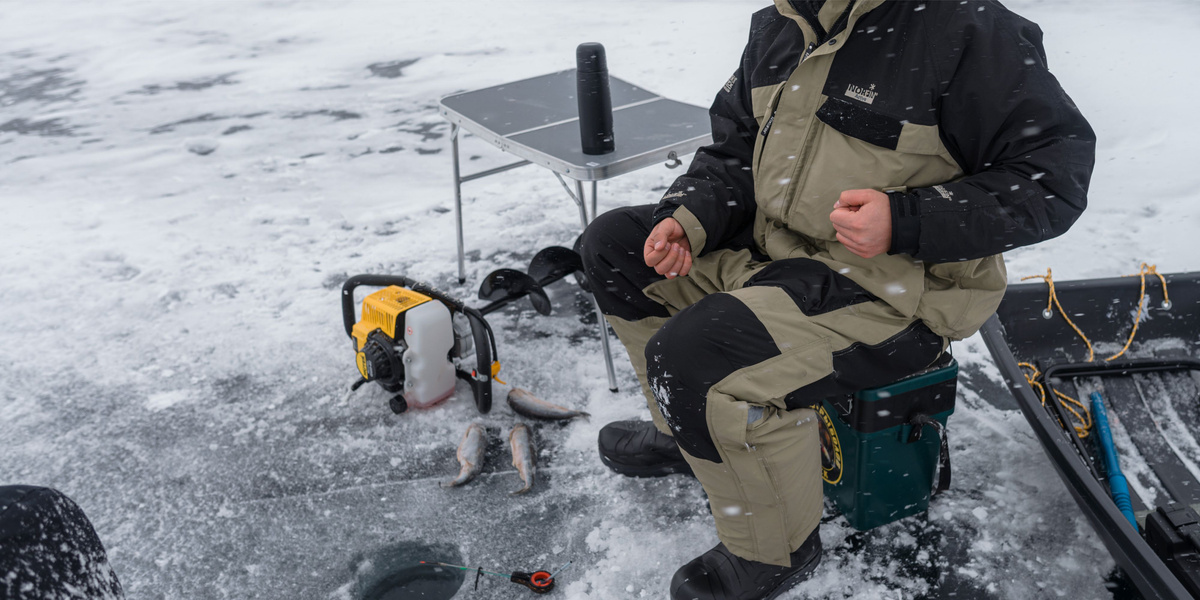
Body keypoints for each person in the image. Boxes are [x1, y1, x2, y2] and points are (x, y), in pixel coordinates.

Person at [576, 1, 1096, 598]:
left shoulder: (964, 27)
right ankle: (689, 431)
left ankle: (775, 552)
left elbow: (1052, 179)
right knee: (615, 248)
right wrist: (689, 216)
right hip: (781, 253)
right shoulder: (779, 24)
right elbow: (737, 152)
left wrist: (905, 219)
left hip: (899, 289)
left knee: (700, 354)